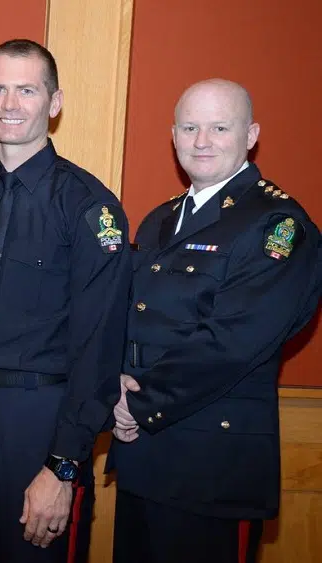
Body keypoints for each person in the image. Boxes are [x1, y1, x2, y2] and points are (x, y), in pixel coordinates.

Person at [0, 38, 132, 563]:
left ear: (54, 102)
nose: (10, 103)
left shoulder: (89, 209)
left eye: (26, 90)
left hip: (37, 422)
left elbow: (98, 346)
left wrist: (63, 464)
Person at [108, 79, 322, 563]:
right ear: (174, 136)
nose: (201, 141)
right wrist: (111, 386)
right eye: (190, 127)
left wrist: (136, 406)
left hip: (210, 468)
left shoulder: (277, 224)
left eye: (219, 127)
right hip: (143, 456)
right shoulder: (160, 220)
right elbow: (132, 318)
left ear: (251, 135)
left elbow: (233, 341)